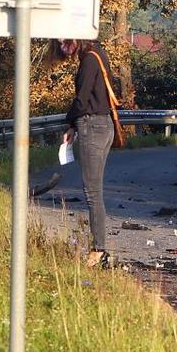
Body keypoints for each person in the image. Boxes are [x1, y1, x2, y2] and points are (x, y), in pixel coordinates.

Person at [58, 38, 117, 268]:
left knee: (92, 193)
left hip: (92, 126)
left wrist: (70, 122)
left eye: (64, 42)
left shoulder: (88, 61)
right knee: (95, 191)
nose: (63, 48)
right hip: (105, 125)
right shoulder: (99, 55)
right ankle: (99, 247)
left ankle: (98, 250)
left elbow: (81, 100)